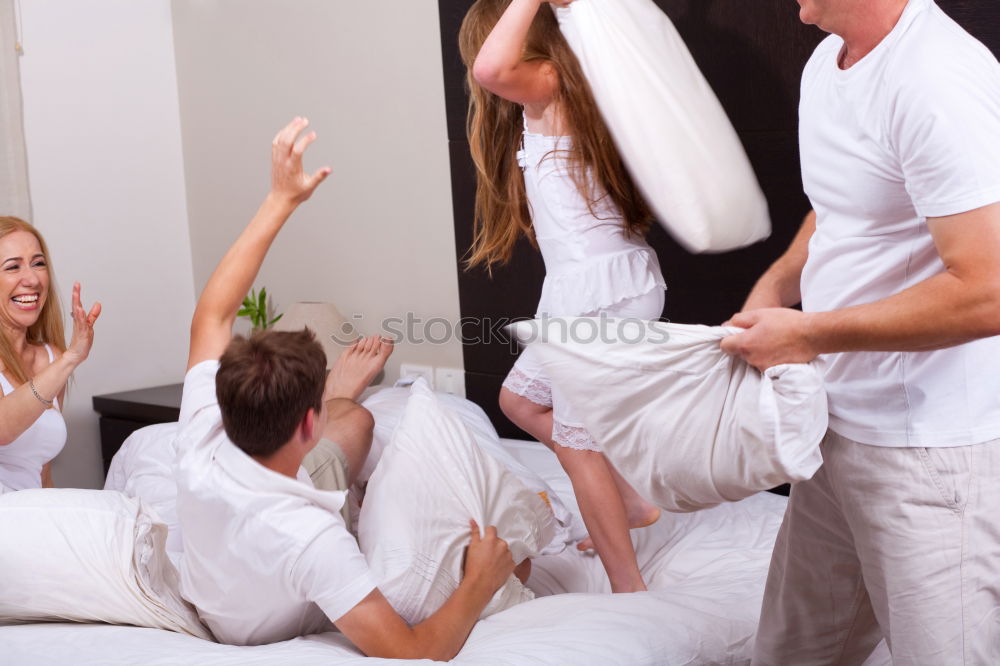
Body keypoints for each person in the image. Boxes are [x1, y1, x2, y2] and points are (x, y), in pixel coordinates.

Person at [720, 1, 1000, 663]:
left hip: (925, 455)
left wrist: (807, 335)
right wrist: (777, 286)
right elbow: (843, 205)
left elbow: (989, 288)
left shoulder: (935, 80)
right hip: (835, 426)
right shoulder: (831, 61)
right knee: (791, 654)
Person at [175, 117, 517, 658]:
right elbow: (411, 650)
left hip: (254, 505)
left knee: (357, 421)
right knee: (512, 543)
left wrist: (280, 200)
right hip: (270, 565)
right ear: (309, 424)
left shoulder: (200, 438)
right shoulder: (312, 540)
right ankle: (338, 392)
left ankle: (341, 397)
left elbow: (212, 316)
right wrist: (480, 581)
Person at [459, 0, 664, 593]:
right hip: (591, 288)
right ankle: (629, 501)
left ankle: (630, 588)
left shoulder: (551, 85)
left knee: (578, 447)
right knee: (520, 402)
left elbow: (492, 70)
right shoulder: (561, 90)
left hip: (598, 296)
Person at [0, 217, 100, 491]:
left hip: (30, 518)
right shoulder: (62, 362)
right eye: (13, 267)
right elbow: (4, 428)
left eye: (38, 263)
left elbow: (43, 472)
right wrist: (72, 358)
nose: (32, 279)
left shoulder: (51, 357)